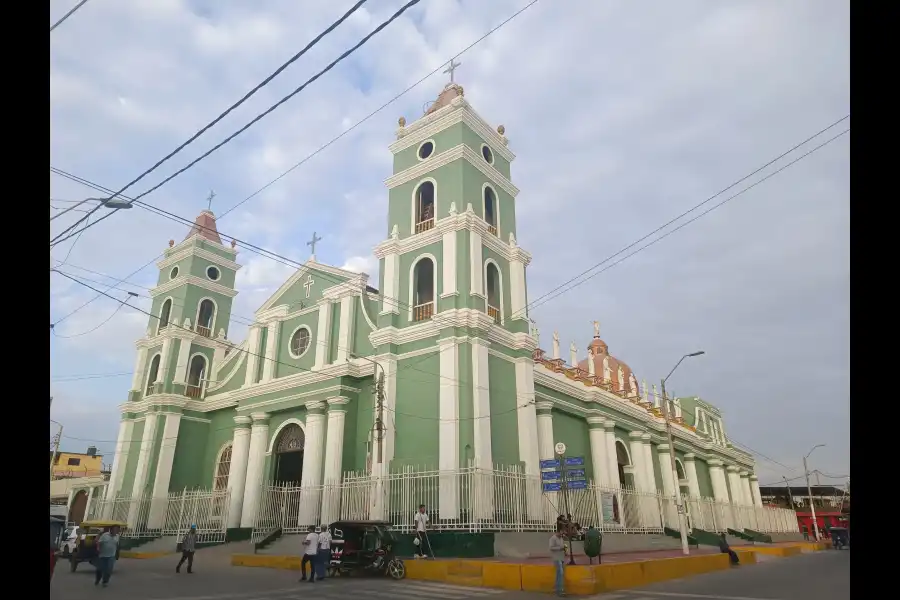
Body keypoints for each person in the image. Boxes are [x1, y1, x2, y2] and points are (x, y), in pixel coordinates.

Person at [549, 529, 566, 597]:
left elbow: (563, 546)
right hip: (556, 558)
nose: (561, 534)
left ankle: (557, 589)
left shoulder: (561, 538)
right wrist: (559, 548)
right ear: (557, 532)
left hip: (561, 557)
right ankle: (560, 590)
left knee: (559, 574)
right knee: (560, 573)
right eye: (561, 533)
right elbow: (551, 548)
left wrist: (565, 551)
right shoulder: (553, 538)